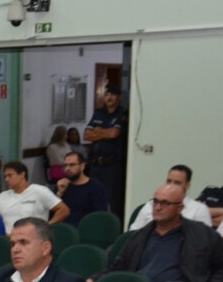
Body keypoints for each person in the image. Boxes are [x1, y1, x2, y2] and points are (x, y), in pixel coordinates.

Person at [93, 183, 223, 282]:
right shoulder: (139, 236)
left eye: (165, 203)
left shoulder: (202, 234)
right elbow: (118, 268)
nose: (158, 207)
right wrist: (93, 280)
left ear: (180, 208)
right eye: (155, 202)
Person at [84, 84, 129, 217]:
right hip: (96, 164)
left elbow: (114, 133)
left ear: (119, 97)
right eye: (107, 95)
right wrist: (105, 132)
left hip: (112, 165)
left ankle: (115, 224)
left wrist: (98, 131)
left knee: (113, 199)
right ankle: (95, 222)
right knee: (94, 195)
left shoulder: (122, 113)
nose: (109, 98)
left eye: (113, 95)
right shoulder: (98, 113)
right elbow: (86, 135)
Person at [128, 165, 213, 230]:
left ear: (187, 186)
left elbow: (204, 240)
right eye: (169, 181)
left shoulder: (199, 209)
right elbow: (133, 233)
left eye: (177, 183)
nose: (171, 185)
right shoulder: (150, 205)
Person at [0, 160, 70, 232]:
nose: (6, 179)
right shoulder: (2, 197)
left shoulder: (39, 191)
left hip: (33, 237)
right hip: (8, 237)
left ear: (22, 175)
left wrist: (47, 226)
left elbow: (64, 210)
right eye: (5, 176)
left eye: (10, 175)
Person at [55, 151, 109, 227]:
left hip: (86, 228)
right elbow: (51, 212)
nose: (67, 168)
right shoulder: (61, 185)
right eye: (65, 165)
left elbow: (100, 215)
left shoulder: (96, 187)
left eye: (72, 165)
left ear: (82, 166)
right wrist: (59, 193)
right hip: (63, 228)